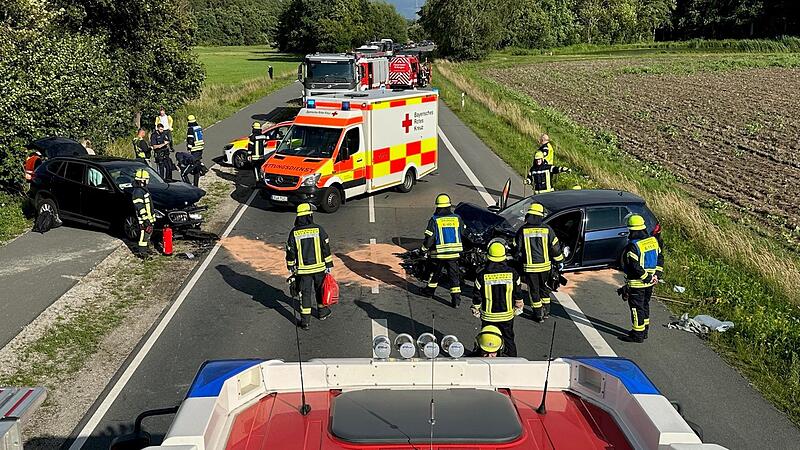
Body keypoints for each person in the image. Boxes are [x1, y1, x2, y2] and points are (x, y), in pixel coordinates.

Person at [286, 203, 334, 330]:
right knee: (320, 291)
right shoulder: (319, 229)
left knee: (305, 294)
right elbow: (325, 247)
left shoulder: (294, 232)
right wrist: (328, 264)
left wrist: (290, 265)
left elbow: (290, 250)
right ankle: (322, 312)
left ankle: (305, 322)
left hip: (303, 271)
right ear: (309, 215)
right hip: (319, 269)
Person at [471, 242, 523, 357]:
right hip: (507, 316)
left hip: (488, 317)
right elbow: (518, 293)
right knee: (509, 340)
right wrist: (519, 305)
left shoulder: (482, 275)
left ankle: (486, 360)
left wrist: (476, 308)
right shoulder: (513, 274)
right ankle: (512, 361)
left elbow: (477, 295)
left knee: (488, 340)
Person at [515, 203, 564, 322]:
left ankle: (538, 315)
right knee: (544, 289)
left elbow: (517, 248)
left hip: (531, 269)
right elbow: (555, 247)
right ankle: (546, 311)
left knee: (534, 291)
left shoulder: (523, 230)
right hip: (545, 268)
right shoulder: (547, 229)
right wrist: (559, 261)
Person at [618, 214, 663, 343]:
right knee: (644, 306)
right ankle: (644, 331)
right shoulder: (653, 241)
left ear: (632, 230)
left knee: (636, 309)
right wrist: (656, 276)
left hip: (638, 283)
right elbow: (660, 258)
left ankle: (637, 335)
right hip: (650, 283)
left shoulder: (634, 246)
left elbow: (634, 266)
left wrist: (646, 277)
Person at [421, 193, 465, 307]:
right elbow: (463, 233)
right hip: (454, 254)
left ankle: (429, 292)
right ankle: (456, 301)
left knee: (434, 274)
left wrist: (423, 249)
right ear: (449, 206)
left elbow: (430, 238)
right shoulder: (457, 218)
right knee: (454, 277)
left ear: (438, 207)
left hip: (439, 254)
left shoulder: (434, 220)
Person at [131, 168, 155, 258]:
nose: (148, 181)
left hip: (148, 217)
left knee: (148, 234)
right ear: (142, 181)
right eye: (146, 179)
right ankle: (143, 253)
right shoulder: (138, 192)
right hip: (144, 219)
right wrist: (145, 219)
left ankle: (146, 249)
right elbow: (140, 206)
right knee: (143, 235)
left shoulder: (142, 190)